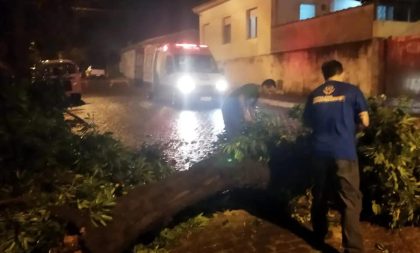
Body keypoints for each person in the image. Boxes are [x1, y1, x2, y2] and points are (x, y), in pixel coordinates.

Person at [303, 60, 369, 253]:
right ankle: (352, 248)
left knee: (320, 196)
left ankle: (318, 236)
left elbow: (307, 123)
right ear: (342, 72)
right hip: (344, 151)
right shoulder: (352, 91)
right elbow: (365, 121)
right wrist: (353, 131)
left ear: (324, 75)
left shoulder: (314, 94)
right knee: (350, 200)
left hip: (319, 152)